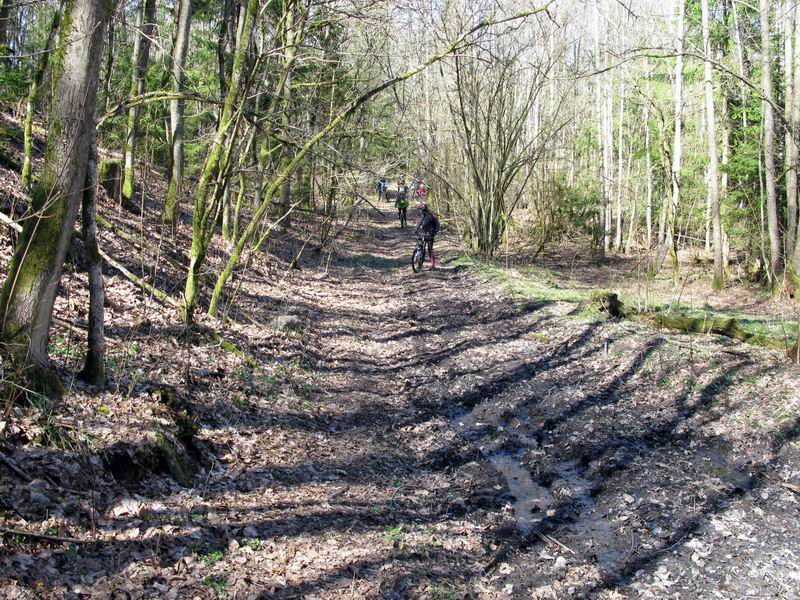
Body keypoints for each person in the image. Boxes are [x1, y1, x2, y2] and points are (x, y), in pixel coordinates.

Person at [414, 200, 439, 269]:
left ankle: (432, 266)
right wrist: (416, 230)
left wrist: (434, 233)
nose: (421, 211)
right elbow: (419, 223)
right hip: (425, 234)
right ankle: (420, 264)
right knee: (422, 247)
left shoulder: (431, 216)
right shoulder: (424, 215)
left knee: (429, 249)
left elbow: (437, 225)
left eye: (421, 210)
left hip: (430, 235)